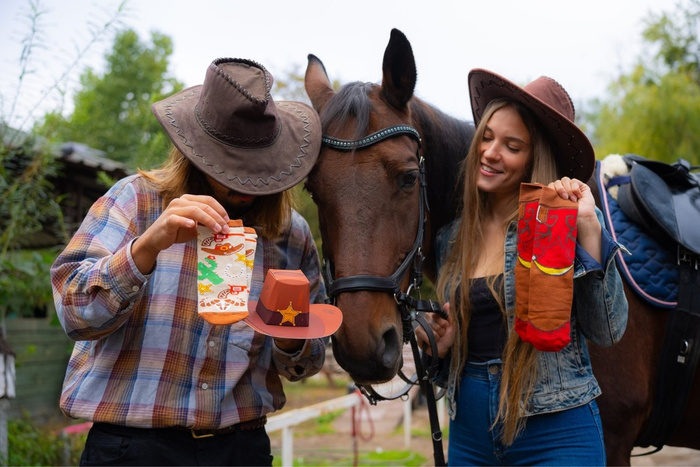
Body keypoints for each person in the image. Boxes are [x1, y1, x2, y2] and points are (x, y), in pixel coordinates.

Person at [51, 57, 331, 466]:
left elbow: (308, 363)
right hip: (132, 450)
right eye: (231, 166)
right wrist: (146, 249)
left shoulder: (290, 234)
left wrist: (291, 339)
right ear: (195, 153)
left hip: (241, 449)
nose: (244, 184)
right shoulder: (136, 201)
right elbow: (74, 314)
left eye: (257, 168)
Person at [416, 68, 628, 465]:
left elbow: (608, 330)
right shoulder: (450, 239)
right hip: (470, 436)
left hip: (557, 432)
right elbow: (451, 366)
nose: (491, 152)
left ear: (535, 159)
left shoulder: (560, 227)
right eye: (488, 137)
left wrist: (588, 228)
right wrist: (442, 350)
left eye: (512, 146)